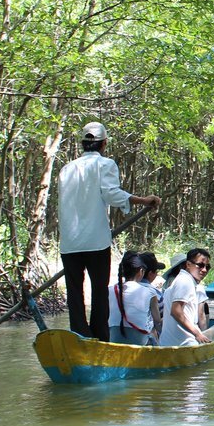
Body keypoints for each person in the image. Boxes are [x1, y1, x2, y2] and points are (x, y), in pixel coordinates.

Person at [58, 121, 161, 341]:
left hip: (69, 242)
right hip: (96, 241)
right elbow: (112, 194)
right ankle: (100, 339)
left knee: (74, 294)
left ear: (83, 144)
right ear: (104, 143)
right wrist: (144, 200)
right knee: (99, 292)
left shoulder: (66, 169)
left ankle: (80, 336)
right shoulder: (105, 164)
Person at [158, 248, 214, 346]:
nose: (204, 270)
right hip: (186, 343)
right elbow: (176, 311)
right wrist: (198, 333)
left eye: (207, 267)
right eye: (200, 265)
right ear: (188, 265)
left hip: (167, 343)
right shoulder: (185, 282)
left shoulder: (179, 281)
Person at [108, 251, 165, 345]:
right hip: (140, 346)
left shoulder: (110, 290)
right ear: (141, 271)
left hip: (114, 342)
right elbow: (158, 323)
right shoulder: (150, 292)